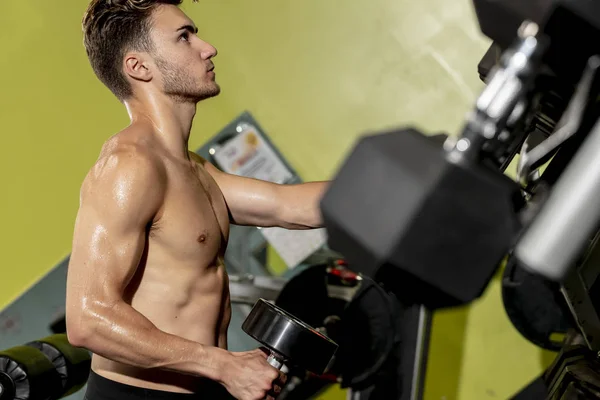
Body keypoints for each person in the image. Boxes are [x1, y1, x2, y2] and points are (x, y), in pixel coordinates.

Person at [65, 1, 329, 399]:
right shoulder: (130, 167)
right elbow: (88, 317)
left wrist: (417, 182)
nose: (207, 48)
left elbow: (289, 206)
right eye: (184, 37)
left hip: (204, 387)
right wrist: (224, 366)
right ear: (139, 67)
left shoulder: (194, 170)